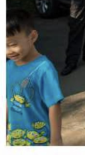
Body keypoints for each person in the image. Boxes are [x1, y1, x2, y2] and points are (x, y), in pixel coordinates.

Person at [7, 9, 64, 146]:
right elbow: (6, 99)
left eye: (13, 44)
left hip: (40, 140)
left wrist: (56, 140)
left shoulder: (44, 69)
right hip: (14, 138)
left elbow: (54, 106)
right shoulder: (7, 67)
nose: (7, 51)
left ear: (32, 37)